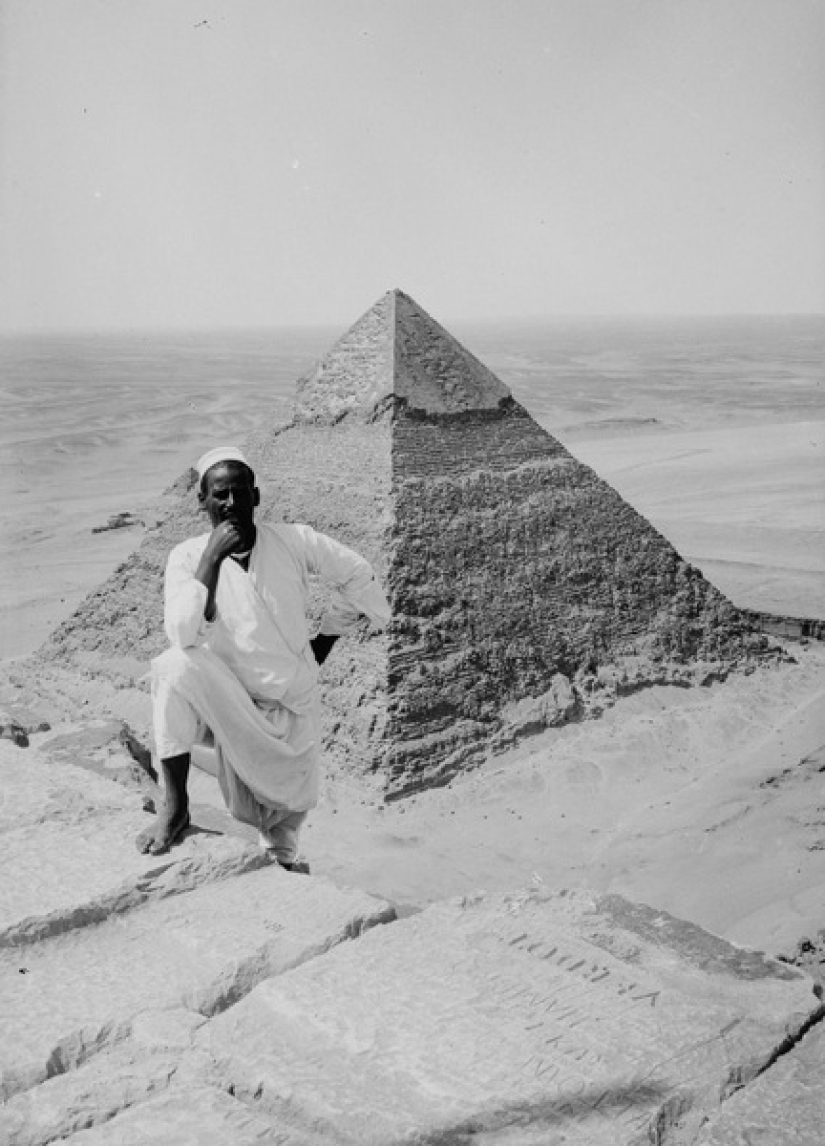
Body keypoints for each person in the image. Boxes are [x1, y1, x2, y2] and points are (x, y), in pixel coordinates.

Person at [136, 445, 390, 868]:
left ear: (256, 496)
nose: (231, 503)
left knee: (284, 819)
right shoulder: (185, 557)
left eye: (240, 492)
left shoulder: (295, 540)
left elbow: (359, 575)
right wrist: (211, 559)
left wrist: (322, 641)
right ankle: (176, 807)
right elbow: (182, 633)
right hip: (230, 702)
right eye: (220, 494)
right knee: (172, 666)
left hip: (290, 703)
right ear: (203, 501)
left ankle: (283, 861)